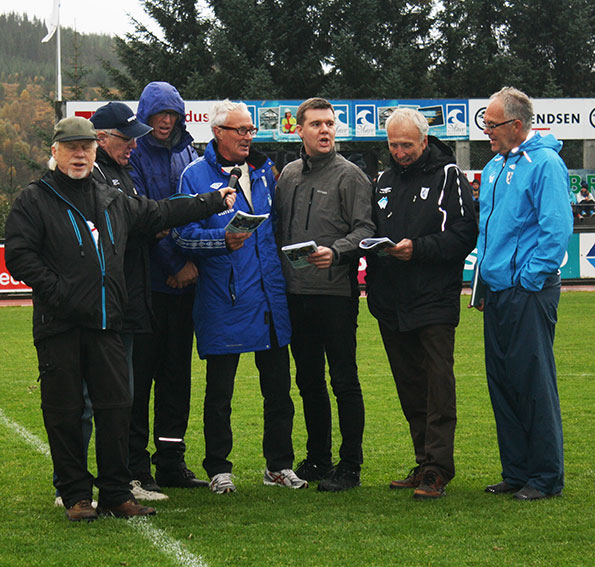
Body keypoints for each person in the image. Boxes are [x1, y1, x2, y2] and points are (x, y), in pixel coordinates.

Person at [4, 117, 234, 521]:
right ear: (55, 152)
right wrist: (60, 294)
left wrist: (212, 201)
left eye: (86, 147)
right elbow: (21, 256)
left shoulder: (112, 198)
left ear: (95, 152)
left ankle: (114, 492)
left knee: (116, 408)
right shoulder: (34, 199)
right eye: (71, 147)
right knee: (64, 411)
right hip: (59, 325)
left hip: (109, 322)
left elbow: (160, 211)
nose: (79, 155)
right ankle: (76, 495)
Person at [172, 99, 306, 493]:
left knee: (279, 390)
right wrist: (222, 239)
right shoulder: (194, 176)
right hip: (222, 299)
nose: (249, 137)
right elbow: (181, 234)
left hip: (268, 297)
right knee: (220, 394)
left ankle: (279, 465)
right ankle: (219, 468)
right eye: (241, 130)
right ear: (218, 133)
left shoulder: (265, 171)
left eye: (251, 130)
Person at [365, 108, 478, 499]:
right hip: (391, 302)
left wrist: (419, 249)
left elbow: (465, 235)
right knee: (410, 386)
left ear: (424, 141)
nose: (400, 152)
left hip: (433, 300)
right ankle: (422, 460)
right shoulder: (382, 179)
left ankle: (438, 469)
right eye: (393, 145)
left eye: (407, 145)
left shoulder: (448, 175)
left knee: (437, 385)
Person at [476, 87, 573, 500]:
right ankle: (516, 471)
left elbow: (556, 229)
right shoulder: (495, 166)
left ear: (517, 125)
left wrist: (528, 279)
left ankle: (546, 477)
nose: (487, 132)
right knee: (502, 383)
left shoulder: (545, 163)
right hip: (497, 291)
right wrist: (486, 280)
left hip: (527, 292)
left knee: (532, 383)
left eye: (492, 125)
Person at [275, 97, 375, 492]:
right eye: (315, 124)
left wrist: (336, 252)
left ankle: (350, 464)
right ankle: (318, 457)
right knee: (308, 381)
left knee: (344, 380)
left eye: (330, 123)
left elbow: (365, 229)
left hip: (335, 294)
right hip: (295, 294)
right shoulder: (288, 174)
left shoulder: (351, 176)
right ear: (298, 129)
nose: (324, 130)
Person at [128, 82, 207, 491]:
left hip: (184, 289)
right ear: (145, 115)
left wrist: (190, 264)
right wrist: (176, 264)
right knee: (139, 379)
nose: (165, 120)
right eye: (158, 114)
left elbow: (193, 212)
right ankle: (136, 466)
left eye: (171, 114)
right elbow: (145, 221)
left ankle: (171, 462)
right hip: (147, 288)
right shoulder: (133, 156)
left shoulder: (187, 154)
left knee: (177, 378)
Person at [90, 101, 166, 501]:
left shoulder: (125, 172)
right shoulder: (98, 176)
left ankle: (125, 478)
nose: (133, 146)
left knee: (127, 396)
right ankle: (77, 483)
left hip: (131, 299)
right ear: (100, 138)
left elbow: (139, 223)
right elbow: (137, 218)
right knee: (92, 399)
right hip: (105, 304)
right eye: (125, 138)